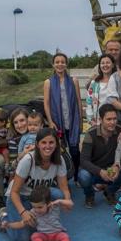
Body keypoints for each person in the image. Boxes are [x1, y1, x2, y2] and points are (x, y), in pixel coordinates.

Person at [0, 128, 74, 241]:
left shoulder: (59, 160)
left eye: (51, 142)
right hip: (20, 197)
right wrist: (23, 213)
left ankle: (45, 221)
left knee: (59, 194)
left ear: (56, 144)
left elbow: (64, 187)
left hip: (39, 197)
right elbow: (14, 192)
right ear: (37, 144)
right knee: (22, 239)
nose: (47, 146)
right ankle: (4, 218)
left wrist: (67, 201)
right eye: (43, 142)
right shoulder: (28, 160)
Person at [1, 186, 79, 241]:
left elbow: (70, 203)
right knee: (34, 236)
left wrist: (59, 201)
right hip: (44, 236)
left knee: (64, 236)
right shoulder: (33, 213)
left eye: (40, 207)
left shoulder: (55, 207)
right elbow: (21, 224)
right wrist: (8, 225)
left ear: (48, 203)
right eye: (34, 207)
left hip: (57, 235)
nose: (37, 210)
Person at [43, 53, 83, 183]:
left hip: (72, 121)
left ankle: (77, 175)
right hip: (57, 122)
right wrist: (50, 121)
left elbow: (78, 101)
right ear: (53, 64)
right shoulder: (48, 82)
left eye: (62, 62)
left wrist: (80, 120)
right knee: (58, 152)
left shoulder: (73, 81)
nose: (60, 64)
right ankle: (60, 179)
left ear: (66, 64)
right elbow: (46, 104)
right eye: (57, 62)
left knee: (75, 150)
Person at [79, 104, 121, 208]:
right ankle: (89, 195)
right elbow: (84, 160)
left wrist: (117, 166)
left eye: (114, 119)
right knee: (83, 176)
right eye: (109, 119)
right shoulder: (90, 134)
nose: (112, 122)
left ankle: (110, 192)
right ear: (100, 119)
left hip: (112, 170)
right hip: (95, 171)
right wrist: (100, 171)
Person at [86, 54, 117, 126]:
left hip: (114, 120)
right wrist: (91, 120)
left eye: (108, 63)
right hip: (98, 120)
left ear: (113, 65)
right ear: (99, 66)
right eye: (102, 63)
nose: (105, 65)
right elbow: (89, 102)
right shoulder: (94, 83)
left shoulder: (117, 81)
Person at [6, 108, 29, 177]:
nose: (19, 125)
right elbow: (12, 167)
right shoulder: (13, 141)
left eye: (22, 120)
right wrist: (22, 155)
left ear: (29, 120)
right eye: (15, 122)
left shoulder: (39, 135)